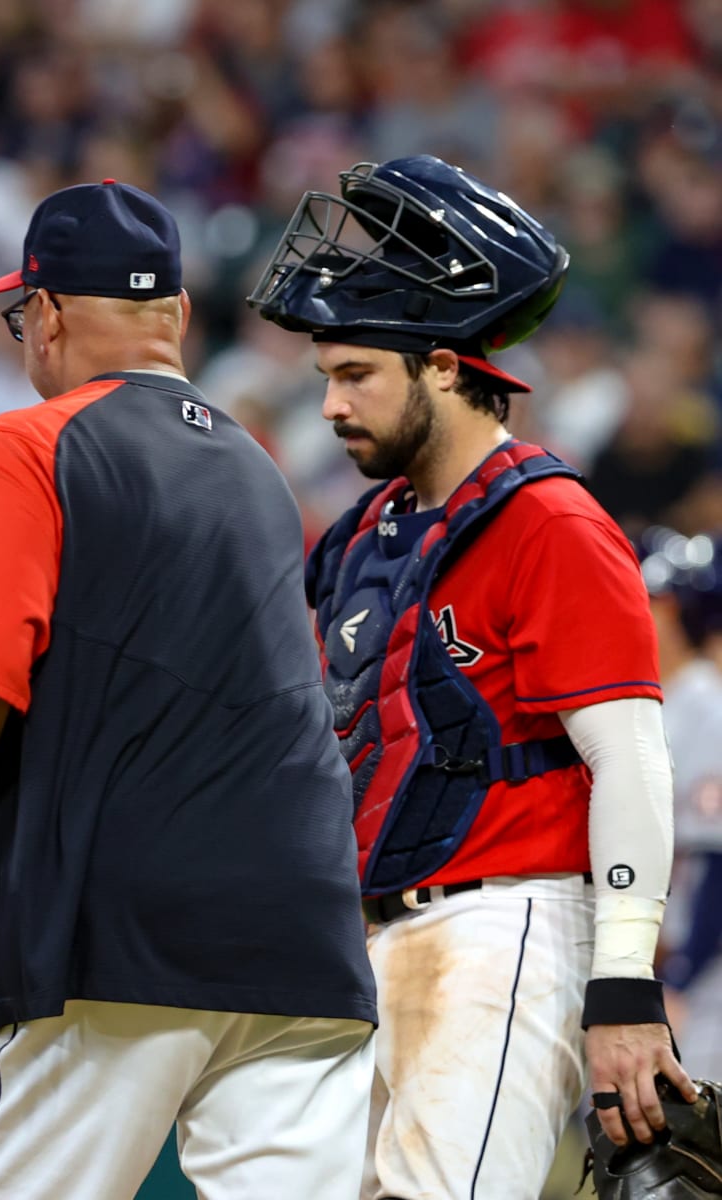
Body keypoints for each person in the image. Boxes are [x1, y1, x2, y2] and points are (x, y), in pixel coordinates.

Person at [0, 179, 378, 1197]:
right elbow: (153, 677)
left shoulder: (27, 442)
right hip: (303, 936)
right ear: (179, 317)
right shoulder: (256, 466)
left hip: (122, 934)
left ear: (47, 314)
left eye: (24, 315)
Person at [247, 154, 693, 1199]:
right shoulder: (365, 533)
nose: (331, 405)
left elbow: (630, 761)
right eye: (325, 377)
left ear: (445, 366)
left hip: (509, 924)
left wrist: (623, 988)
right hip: (373, 932)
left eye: (356, 374)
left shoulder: (553, 522)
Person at [638, 528, 722, 1079]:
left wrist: (686, 975)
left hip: (704, 967)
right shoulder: (655, 703)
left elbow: (716, 857)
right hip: (657, 963)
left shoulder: (706, 707)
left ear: (669, 611)